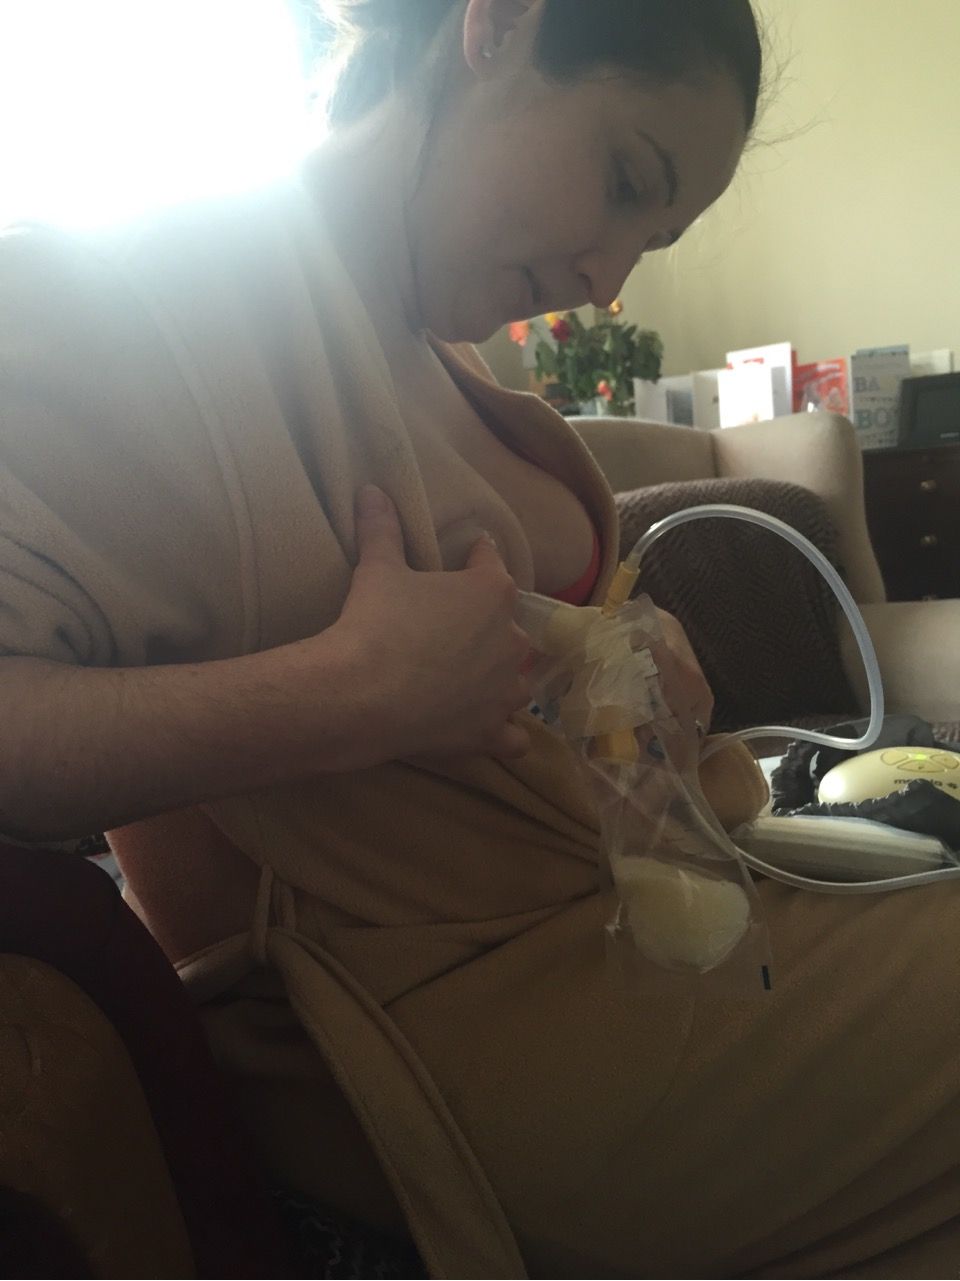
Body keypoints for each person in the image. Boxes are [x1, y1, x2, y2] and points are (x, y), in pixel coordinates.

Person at [1, 1, 958, 1276]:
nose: (609, 281)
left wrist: (627, 677)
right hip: (459, 1035)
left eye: (653, 239)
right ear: (498, 24)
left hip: (660, 933)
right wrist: (348, 694)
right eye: (625, 180)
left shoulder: (434, 354)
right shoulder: (134, 302)